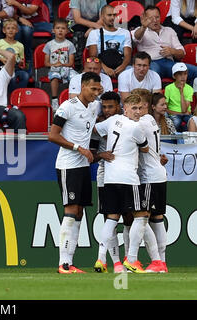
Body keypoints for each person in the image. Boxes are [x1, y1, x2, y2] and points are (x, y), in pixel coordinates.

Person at [48, 72, 101, 273]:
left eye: (98, 89)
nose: (96, 93)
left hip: (82, 167)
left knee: (79, 211)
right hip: (68, 165)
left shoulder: (94, 106)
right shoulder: (67, 107)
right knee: (70, 210)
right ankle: (62, 263)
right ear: (82, 87)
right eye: (92, 89)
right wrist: (79, 147)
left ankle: (69, 262)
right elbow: (52, 135)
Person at [94, 94, 150, 274]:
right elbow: (145, 148)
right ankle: (131, 259)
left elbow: (95, 129)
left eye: (140, 108)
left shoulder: (112, 120)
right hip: (128, 178)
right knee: (141, 215)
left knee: (112, 217)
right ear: (124, 109)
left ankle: (101, 259)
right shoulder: (136, 127)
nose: (138, 112)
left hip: (110, 177)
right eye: (134, 108)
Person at [90, 91, 123, 273]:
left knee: (129, 218)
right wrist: (102, 155)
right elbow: (91, 156)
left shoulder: (127, 122)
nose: (108, 110)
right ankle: (115, 262)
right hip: (105, 174)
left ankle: (127, 260)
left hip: (128, 174)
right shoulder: (99, 127)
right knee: (109, 218)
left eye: (111, 106)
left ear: (119, 106)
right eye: (105, 107)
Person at [138, 94, 169, 273]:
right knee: (156, 218)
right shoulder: (150, 120)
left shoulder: (141, 123)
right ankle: (162, 263)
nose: (137, 111)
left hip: (149, 176)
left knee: (142, 217)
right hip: (157, 173)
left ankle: (157, 261)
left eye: (140, 107)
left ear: (147, 106)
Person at [132, 5, 197, 84]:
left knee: (194, 71)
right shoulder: (140, 30)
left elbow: (182, 53)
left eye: (157, 17)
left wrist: (172, 51)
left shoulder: (169, 31)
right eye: (151, 18)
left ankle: (187, 94)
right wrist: (143, 27)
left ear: (160, 17)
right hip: (151, 63)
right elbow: (136, 37)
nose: (155, 20)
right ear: (145, 19)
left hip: (169, 63)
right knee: (152, 73)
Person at [86, 5, 132, 79]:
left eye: (114, 15)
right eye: (109, 15)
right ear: (102, 16)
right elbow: (93, 56)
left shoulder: (125, 32)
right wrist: (105, 68)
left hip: (120, 65)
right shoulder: (94, 33)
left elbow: (127, 55)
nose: (112, 18)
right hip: (101, 67)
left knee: (133, 71)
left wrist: (122, 67)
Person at [43, 18, 78, 111]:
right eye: (58, 28)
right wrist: (55, 65)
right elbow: (46, 63)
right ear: (53, 30)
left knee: (76, 77)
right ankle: (54, 100)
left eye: (63, 28)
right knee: (54, 77)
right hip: (54, 68)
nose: (60, 30)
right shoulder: (49, 45)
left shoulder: (69, 45)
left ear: (67, 31)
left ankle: (74, 100)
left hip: (66, 68)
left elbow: (71, 62)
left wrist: (63, 65)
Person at [0, 18, 29, 95]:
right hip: (1, 67)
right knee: (12, 78)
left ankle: (18, 96)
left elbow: (22, 60)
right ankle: (10, 98)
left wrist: (21, 63)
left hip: (14, 67)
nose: (11, 30)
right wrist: (0, 59)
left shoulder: (20, 45)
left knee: (25, 75)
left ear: (17, 30)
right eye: (8, 28)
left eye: (13, 28)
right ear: (4, 30)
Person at [66, 0, 106, 71]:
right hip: (76, 23)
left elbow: (102, 18)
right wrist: (94, 26)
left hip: (96, 23)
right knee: (79, 34)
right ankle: (77, 65)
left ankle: (98, 65)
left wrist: (91, 29)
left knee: (101, 33)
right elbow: (77, 19)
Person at [165, 62, 193, 132]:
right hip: (173, 114)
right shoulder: (168, 88)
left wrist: (181, 92)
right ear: (174, 76)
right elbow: (165, 109)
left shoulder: (189, 88)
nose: (183, 77)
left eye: (185, 74)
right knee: (177, 122)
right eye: (180, 74)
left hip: (186, 114)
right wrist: (180, 113)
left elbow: (184, 109)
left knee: (193, 122)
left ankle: (191, 141)